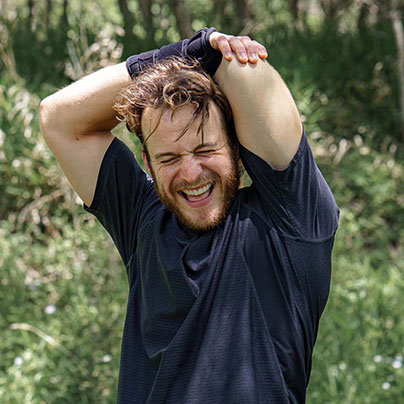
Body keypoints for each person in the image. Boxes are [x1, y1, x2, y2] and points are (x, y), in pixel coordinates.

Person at [39, 28, 339, 404]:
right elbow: (58, 118)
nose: (191, 173)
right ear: (147, 161)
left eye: (204, 149)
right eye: (169, 158)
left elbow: (242, 70)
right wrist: (186, 51)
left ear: (236, 147)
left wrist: (218, 53)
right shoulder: (143, 221)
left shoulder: (290, 223)